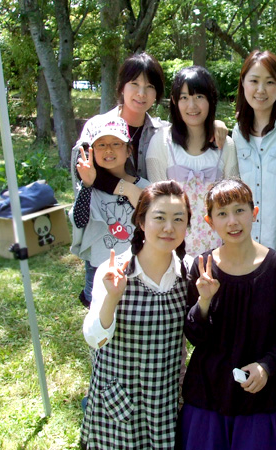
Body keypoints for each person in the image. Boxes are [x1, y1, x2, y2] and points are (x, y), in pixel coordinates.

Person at [180, 178, 276, 450]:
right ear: (210, 222)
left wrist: (266, 366)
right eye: (222, 214)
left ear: (253, 213)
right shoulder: (202, 268)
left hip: (258, 395)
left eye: (239, 211)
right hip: (208, 391)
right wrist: (204, 300)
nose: (232, 221)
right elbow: (195, 336)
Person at [80, 180, 192, 450]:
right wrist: (112, 297)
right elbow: (95, 338)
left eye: (178, 219)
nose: (169, 227)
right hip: (119, 399)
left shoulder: (189, 273)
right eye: (159, 218)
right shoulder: (115, 271)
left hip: (165, 397)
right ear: (141, 222)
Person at [71, 52, 229, 207]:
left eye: (149, 86)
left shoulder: (161, 133)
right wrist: (129, 190)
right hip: (102, 216)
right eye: (135, 84)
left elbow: (192, 127)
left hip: (148, 220)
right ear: (122, 87)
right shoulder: (97, 126)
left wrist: (214, 124)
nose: (141, 93)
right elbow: (81, 169)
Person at [147, 66, 238, 257]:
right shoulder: (161, 142)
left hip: (219, 252)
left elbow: (235, 202)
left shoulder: (226, 145)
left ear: (211, 99)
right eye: (184, 97)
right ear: (174, 101)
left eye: (199, 97)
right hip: (172, 252)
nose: (192, 105)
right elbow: (155, 204)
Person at [69, 116, 147, 307]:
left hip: (135, 267)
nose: (108, 150)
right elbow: (79, 221)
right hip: (99, 268)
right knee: (100, 316)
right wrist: (87, 185)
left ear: (129, 150)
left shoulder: (145, 187)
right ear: (92, 151)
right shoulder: (89, 189)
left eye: (116, 143)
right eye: (101, 145)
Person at [232, 50, 276, 258]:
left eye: (270, 82)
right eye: (254, 81)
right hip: (246, 249)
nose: (261, 90)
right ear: (243, 83)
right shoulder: (238, 133)